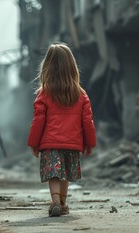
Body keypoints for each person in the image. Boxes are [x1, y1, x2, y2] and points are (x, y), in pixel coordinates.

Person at [27, 43, 96, 217]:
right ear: (72, 67)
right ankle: (63, 203)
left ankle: (55, 201)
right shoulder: (81, 94)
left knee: (54, 174)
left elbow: (38, 120)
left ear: (47, 67)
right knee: (64, 173)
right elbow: (88, 121)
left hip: (50, 144)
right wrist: (89, 143)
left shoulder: (44, 94)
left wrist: (33, 143)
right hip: (72, 144)